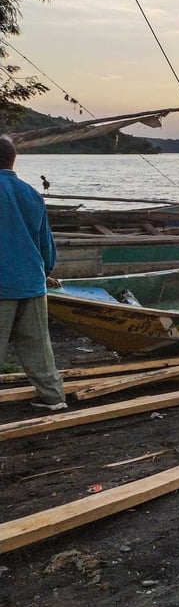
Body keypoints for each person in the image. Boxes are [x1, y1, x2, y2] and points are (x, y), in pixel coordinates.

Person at [0, 136, 68, 412]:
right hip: (32, 283)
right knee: (39, 347)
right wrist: (44, 272)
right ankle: (54, 397)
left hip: (3, 286)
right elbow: (46, 244)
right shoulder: (31, 193)